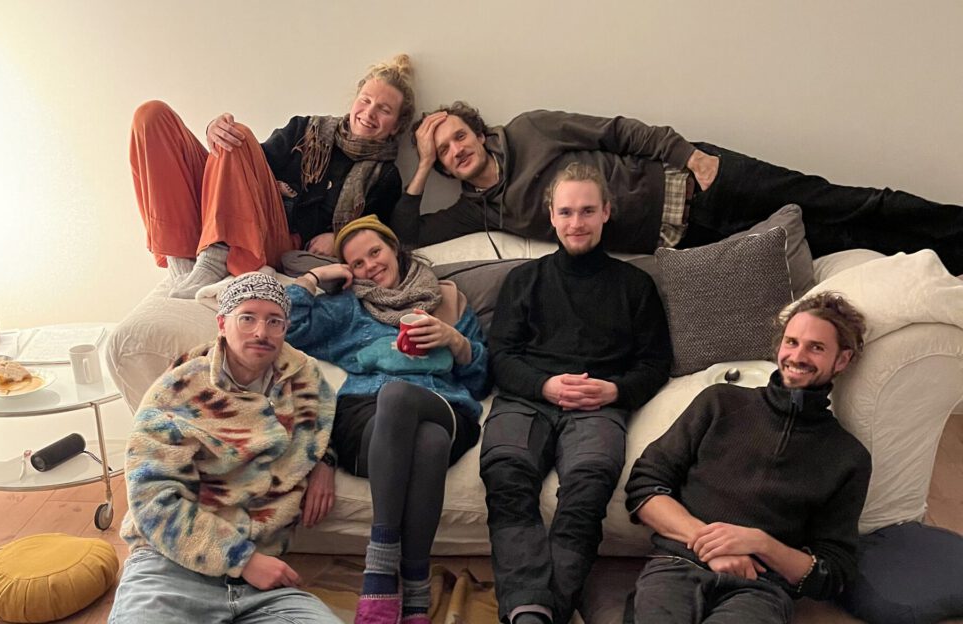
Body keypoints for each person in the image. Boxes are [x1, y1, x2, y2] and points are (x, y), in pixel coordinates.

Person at [394, 101, 963, 274]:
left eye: (458, 135)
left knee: (845, 202)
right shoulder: (480, 212)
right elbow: (408, 234)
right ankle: (951, 261)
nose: (456, 149)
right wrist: (418, 169)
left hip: (701, 181)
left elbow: (619, 131)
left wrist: (690, 155)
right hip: (689, 243)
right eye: (442, 151)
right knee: (834, 241)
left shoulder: (530, 129)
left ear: (477, 131)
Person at [481, 163, 673, 624]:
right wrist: (543, 385)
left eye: (587, 211)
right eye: (566, 212)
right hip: (526, 399)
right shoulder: (523, 280)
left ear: (606, 212)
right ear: (551, 216)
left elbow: (655, 364)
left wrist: (615, 390)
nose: (576, 222)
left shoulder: (635, 285)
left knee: (588, 487)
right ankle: (532, 609)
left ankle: (541, 611)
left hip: (597, 406)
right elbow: (500, 357)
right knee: (507, 475)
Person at [283, 215, 489, 623]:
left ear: (394, 248)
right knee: (427, 440)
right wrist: (315, 276)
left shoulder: (447, 299)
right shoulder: (348, 307)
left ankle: (378, 571)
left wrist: (455, 340)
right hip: (366, 420)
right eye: (357, 263)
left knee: (400, 396)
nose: (370, 266)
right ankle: (414, 586)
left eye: (375, 252)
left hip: (444, 405)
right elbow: (288, 325)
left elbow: (481, 379)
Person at [624, 292, 873, 623]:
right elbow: (644, 487)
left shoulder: (848, 457)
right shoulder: (719, 402)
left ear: (842, 360)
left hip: (761, 589)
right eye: (791, 342)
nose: (797, 356)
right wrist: (712, 545)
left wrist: (762, 544)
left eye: (816, 347)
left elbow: (833, 571)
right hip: (677, 566)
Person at [110, 272, 339, 623]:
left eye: (274, 321)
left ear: (285, 328)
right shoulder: (177, 390)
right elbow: (151, 499)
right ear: (222, 323)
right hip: (171, 566)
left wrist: (326, 460)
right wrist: (243, 561)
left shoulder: (306, 378)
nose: (261, 332)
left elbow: (326, 421)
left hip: (262, 584)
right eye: (247, 318)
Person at [129, 54, 415, 299]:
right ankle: (183, 264)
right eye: (365, 100)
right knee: (152, 116)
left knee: (238, 136)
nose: (369, 113)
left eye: (384, 110)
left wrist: (339, 236)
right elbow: (246, 163)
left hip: (277, 239)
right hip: (233, 212)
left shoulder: (385, 176)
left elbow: (379, 238)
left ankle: (214, 258)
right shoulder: (305, 128)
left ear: (396, 126)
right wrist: (214, 131)